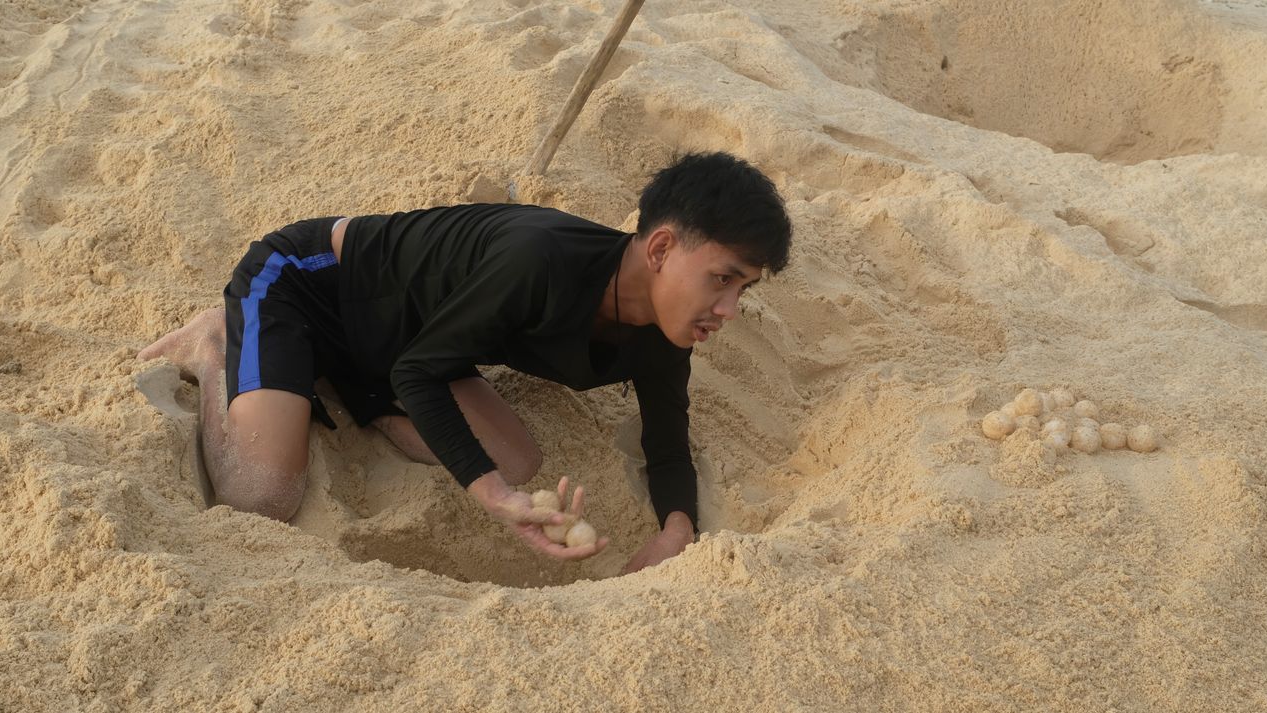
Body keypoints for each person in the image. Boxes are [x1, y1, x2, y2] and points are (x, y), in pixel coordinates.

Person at [137, 151, 792, 574]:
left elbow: (668, 446)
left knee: (516, 460)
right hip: (312, 283)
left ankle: (334, 381)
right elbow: (421, 374)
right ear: (660, 248)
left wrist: (676, 529)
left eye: (743, 289)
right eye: (722, 279)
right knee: (261, 494)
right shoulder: (537, 261)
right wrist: (493, 498)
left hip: (407, 340)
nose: (729, 308)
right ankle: (218, 342)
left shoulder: (667, 332)